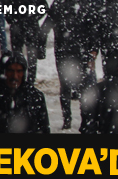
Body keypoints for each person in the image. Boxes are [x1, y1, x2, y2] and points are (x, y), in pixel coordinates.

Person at [42, 0, 103, 129]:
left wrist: (40, 47)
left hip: (64, 53)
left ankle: (68, 119)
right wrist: (93, 50)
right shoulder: (86, 4)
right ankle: (86, 118)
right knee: (85, 87)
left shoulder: (59, 4)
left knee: (65, 87)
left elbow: (46, 27)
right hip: (82, 53)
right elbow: (95, 29)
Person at [0, 52, 50, 134]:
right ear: (3, 72)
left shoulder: (35, 97)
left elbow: (44, 129)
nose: (15, 76)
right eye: (10, 71)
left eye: (19, 71)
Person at [6, 0, 48, 84]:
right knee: (23, 54)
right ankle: (26, 78)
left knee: (27, 54)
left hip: (23, 25)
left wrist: (12, 18)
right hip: (24, 25)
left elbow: (44, 6)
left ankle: (27, 78)